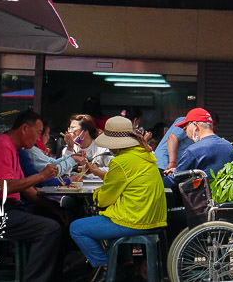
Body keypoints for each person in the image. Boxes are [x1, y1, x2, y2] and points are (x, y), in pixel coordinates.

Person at [0, 110, 61, 282]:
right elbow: (3, 186)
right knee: (49, 229)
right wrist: (41, 176)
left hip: (7, 209)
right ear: (25, 128)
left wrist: (54, 208)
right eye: (38, 132)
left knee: (55, 220)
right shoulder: (1, 145)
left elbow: (27, 190)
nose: (38, 138)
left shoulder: (13, 148)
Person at [69, 116, 167, 275]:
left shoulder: (120, 162)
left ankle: (107, 269)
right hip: (154, 219)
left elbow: (105, 199)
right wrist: (99, 173)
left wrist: (97, 194)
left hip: (135, 220)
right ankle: (118, 266)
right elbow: (124, 180)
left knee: (76, 228)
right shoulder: (144, 155)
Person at [167, 108, 233, 182]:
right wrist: (177, 170)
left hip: (204, 189)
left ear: (194, 125)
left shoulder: (193, 150)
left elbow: (175, 179)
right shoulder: (229, 146)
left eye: (185, 128)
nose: (186, 133)